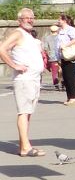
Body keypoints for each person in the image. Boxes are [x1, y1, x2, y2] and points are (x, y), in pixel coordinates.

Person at [1, 9, 46, 156]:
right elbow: (2, 49)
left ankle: (24, 145)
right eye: (26, 18)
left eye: (32, 18)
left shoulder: (27, 35)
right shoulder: (18, 33)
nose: (30, 20)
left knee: (28, 113)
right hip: (24, 79)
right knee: (24, 112)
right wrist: (14, 65)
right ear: (19, 20)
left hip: (33, 79)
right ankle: (26, 148)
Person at [57, 13, 75, 105]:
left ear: (64, 20)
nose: (58, 21)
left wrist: (66, 45)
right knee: (66, 77)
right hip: (63, 55)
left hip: (70, 55)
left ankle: (74, 97)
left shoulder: (70, 29)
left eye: (59, 19)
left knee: (70, 76)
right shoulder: (60, 30)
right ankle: (69, 96)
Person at [42, 23, 61, 90]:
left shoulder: (47, 38)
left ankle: (56, 84)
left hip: (52, 57)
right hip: (61, 56)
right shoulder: (60, 37)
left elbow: (46, 48)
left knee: (54, 71)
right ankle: (63, 83)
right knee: (62, 70)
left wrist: (48, 55)